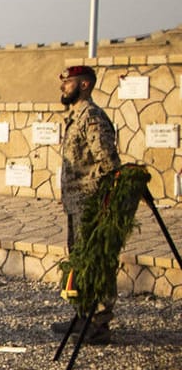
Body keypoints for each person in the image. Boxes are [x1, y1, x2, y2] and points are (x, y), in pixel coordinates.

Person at [53, 64, 123, 343]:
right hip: (76, 204)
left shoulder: (91, 117)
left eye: (68, 83)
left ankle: (99, 323)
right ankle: (83, 314)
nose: (63, 87)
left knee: (97, 262)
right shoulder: (76, 117)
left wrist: (100, 201)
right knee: (81, 261)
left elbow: (108, 163)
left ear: (84, 85)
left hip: (90, 204)